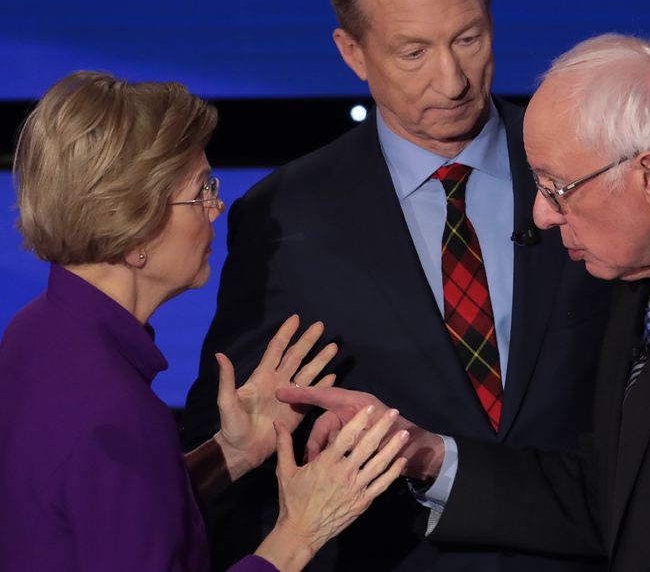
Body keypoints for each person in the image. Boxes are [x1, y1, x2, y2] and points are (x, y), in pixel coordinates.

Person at [183, 0, 611, 572]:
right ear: (351, 52)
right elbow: (235, 447)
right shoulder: (285, 217)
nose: (453, 79)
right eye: (413, 51)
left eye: (469, 37)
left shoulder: (592, 164)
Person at [279, 33, 650, 571]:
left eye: (557, 188)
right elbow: (608, 499)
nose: (542, 216)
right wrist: (421, 452)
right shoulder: (639, 291)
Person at [0, 71, 408, 572]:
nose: (216, 208)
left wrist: (229, 454)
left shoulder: (33, 333)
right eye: (201, 191)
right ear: (136, 230)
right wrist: (299, 533)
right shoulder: (115, 412)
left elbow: (110, 520)